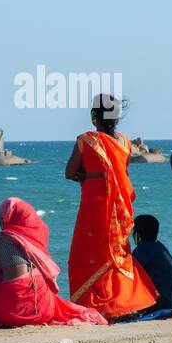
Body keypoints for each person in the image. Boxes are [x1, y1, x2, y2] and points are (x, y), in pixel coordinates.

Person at [65, 94, 159, 320]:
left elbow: (69, 172)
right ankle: (121, 302)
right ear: (116, 119)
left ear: (94, 117)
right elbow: (118, 173)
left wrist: (86, 177)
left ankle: (95, 304)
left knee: (88, 254)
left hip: (94, 206)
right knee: (116, 253)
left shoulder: (87, 140)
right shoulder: (125, 143)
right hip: (119, 207)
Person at [0, 197, 107, 328]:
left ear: (7, 218)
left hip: (12, 313)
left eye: (1, 216)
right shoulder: (35, 238)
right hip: (43, 311)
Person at [131, 214, 172, 311]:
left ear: (139, 232)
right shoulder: (158, 246)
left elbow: (129, 270)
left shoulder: (145, 248)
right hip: (171, 299)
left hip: (162, 302)